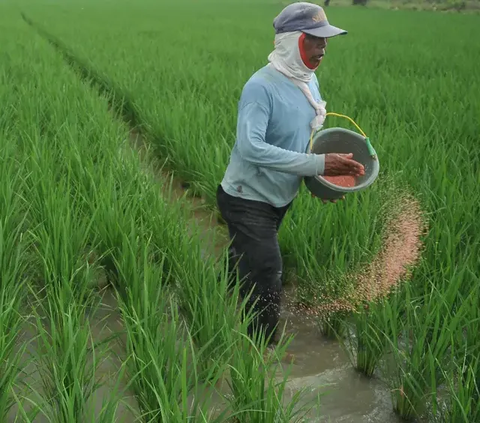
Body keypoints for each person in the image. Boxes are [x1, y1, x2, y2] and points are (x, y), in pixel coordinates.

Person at [216, 2, 365, 346]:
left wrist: (316, 179)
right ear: (292, 41)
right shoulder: (261, 87)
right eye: (315, 39)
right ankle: (260, 351)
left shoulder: (307, 81)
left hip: (278, 196)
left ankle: (215, 297)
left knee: (245, 256)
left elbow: (303, 139)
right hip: (246, 197)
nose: (323, 47)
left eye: (326, 40)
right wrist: (318, 165)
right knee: (268, 269)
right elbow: (250, 147)